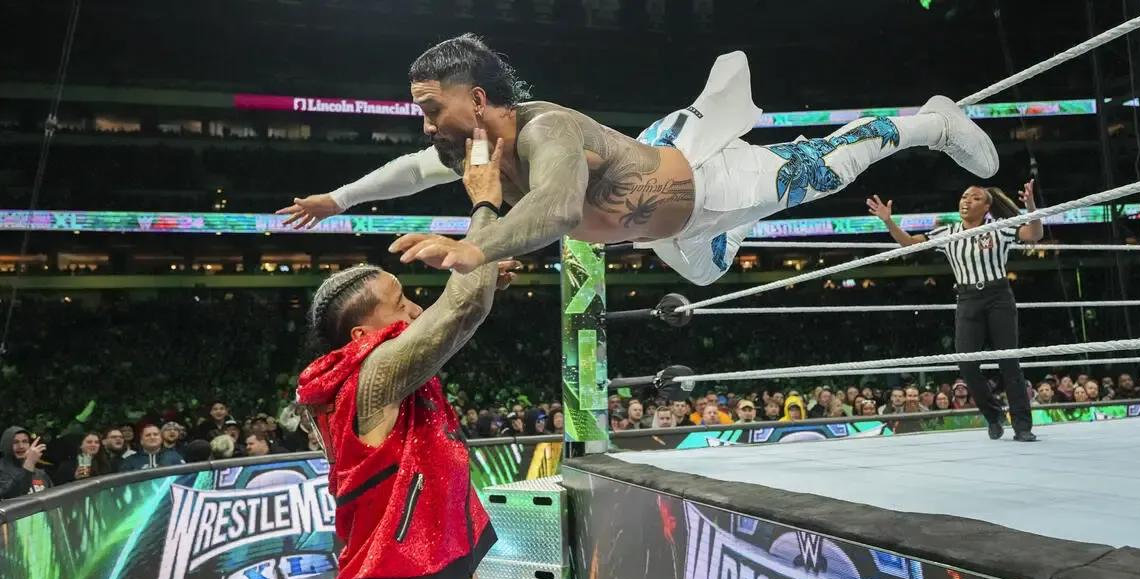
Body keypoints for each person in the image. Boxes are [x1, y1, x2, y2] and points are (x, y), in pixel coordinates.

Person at [282, 35, 998, 287]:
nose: (424, 122)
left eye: (429, 106)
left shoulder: (546, 132)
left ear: (475, 97)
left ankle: (930, 121)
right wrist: (335, 201)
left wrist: (472, 246)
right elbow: (411, 171)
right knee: (710, 265)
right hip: (673, 233)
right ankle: (717, 232)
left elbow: (559, 208)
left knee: (829, 166)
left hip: (710, 181)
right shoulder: (472, 145)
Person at [293, 238, 533, 579]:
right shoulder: (367, 381)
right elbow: (460, 311)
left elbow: (456, 317)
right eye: (401, 303)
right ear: (361, 337)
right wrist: (485, 206)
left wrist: (481, 280)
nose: (417, 310)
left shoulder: (384, 381)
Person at [870, 181, 1043, 442]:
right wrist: (888, 222)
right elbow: (910, 245)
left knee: (1009, 361)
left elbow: (1034, 235)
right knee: (966, 363)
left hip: (998, 297)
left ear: (987, 206)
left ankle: (1022, 425)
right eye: (964, 197)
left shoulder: (999, 228)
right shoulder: (948, 232)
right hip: (967, 297)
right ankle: (993, 414)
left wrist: (1030, 207)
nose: (966, 201)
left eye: (974, 198)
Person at [1, 427, 51, 499]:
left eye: (25, 441)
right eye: (15, 442)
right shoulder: (2, 471)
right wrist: (29, 463)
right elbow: (12, 496)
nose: (21, 446)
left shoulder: (40, 473)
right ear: (6, 445)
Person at [121, 425, 185, 471]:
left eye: (155, 434)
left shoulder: (174, 456)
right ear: (141, 441)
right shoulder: (130, 461)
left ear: (161, 439)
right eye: (148, 435)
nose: (152, 437)